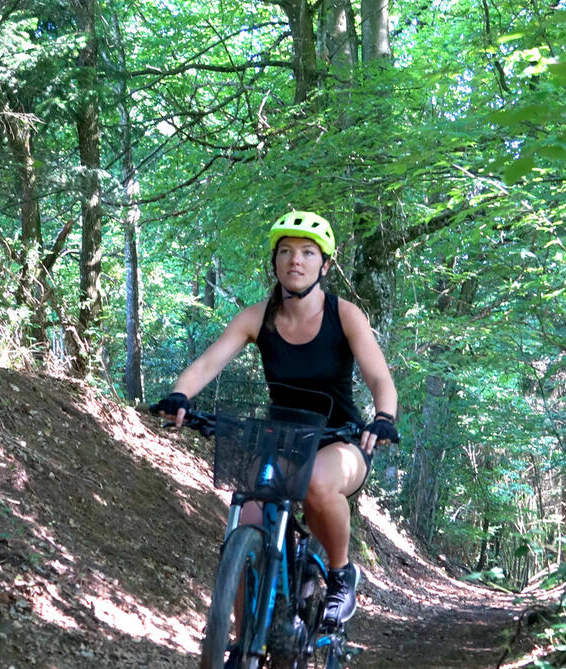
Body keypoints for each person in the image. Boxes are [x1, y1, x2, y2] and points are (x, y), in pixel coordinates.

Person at [153, 210, 399, 627]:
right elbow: (209, 362)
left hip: (342, 442)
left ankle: (341, 576)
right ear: (275, 263)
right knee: (245, 522)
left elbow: (379, 377)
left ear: (324, 265)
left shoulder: (345, 315)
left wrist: (384, 416)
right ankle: (239, 643)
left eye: (307, 252)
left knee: (319, 485)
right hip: (284, 440)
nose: (295, 261)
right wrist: (180, 394)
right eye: (285, 252)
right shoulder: (257, 317)